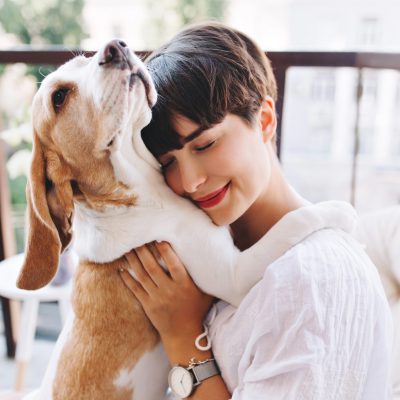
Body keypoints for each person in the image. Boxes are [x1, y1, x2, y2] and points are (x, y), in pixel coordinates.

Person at [119, 22, 393, 399]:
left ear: (264, 120)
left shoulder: (309, 281)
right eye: (168, 163)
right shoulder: (212, 252)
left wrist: (183, 335)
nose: (191, 180)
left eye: (205, 144)